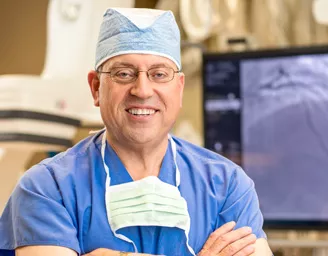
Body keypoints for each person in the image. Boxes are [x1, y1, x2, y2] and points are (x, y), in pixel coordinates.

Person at [0, 7, 272, 256]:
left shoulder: (227, 186)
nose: (142, 90)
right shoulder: (47, 189)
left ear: (178, 88)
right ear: (96, 87)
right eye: (124, 73)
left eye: (159, 74)